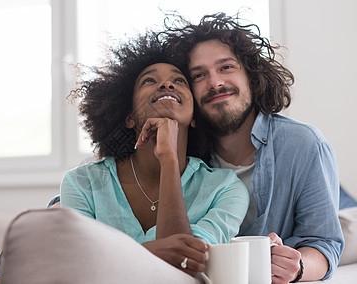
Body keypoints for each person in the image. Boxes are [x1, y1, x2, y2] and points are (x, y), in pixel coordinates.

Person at [161, 12, 344, 283]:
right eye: (199, 75)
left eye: (226, 67)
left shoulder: (305, 145)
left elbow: (324, 242)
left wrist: (298, 266)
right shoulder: (182, 155)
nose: (215, 82)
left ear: (253, 78)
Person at [59, 32, 249, 279]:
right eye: (149, 81)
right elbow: (78, 270)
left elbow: (183, 266)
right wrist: (151, 252)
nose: (167, 85)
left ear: (193, 118)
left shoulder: (226, 189)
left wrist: (168, 159)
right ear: (128, 117)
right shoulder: (82, 183)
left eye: (179, 81)